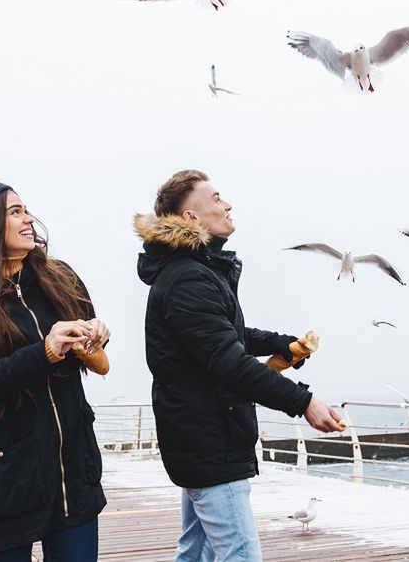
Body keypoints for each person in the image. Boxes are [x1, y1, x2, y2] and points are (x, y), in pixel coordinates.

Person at [135, 169, 345, 562]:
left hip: (202, 438)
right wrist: (304, 402)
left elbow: (226, 334)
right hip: (210, 438)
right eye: (215, 198)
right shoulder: (188, 279)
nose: (227, 204)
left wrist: (280, 343)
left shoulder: (194, 272)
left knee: (195, 553)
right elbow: (227, 361)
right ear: (190, 218)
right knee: (239, 554)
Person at [0, 181, 109, 562]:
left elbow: (91, 353)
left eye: (26, 209)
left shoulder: (61, 278)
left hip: (70, 473)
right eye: (15, 211)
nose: (29, 219)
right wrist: (44, 351)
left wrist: (96, 336)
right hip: (3, 480)